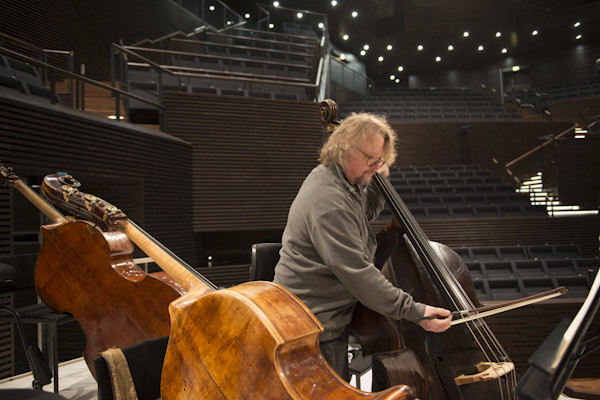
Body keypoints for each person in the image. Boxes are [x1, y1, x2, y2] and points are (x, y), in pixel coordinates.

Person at [273, 112, 452, 382]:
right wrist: (416, 312)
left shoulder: (342, 181)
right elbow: (358, 273)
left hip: (326, 313)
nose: (376, 166)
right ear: (344, 149)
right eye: (372, 159)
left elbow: (361, 214)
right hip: (310, 326)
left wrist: (378, 185)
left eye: (380, 160)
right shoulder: (328, 200)